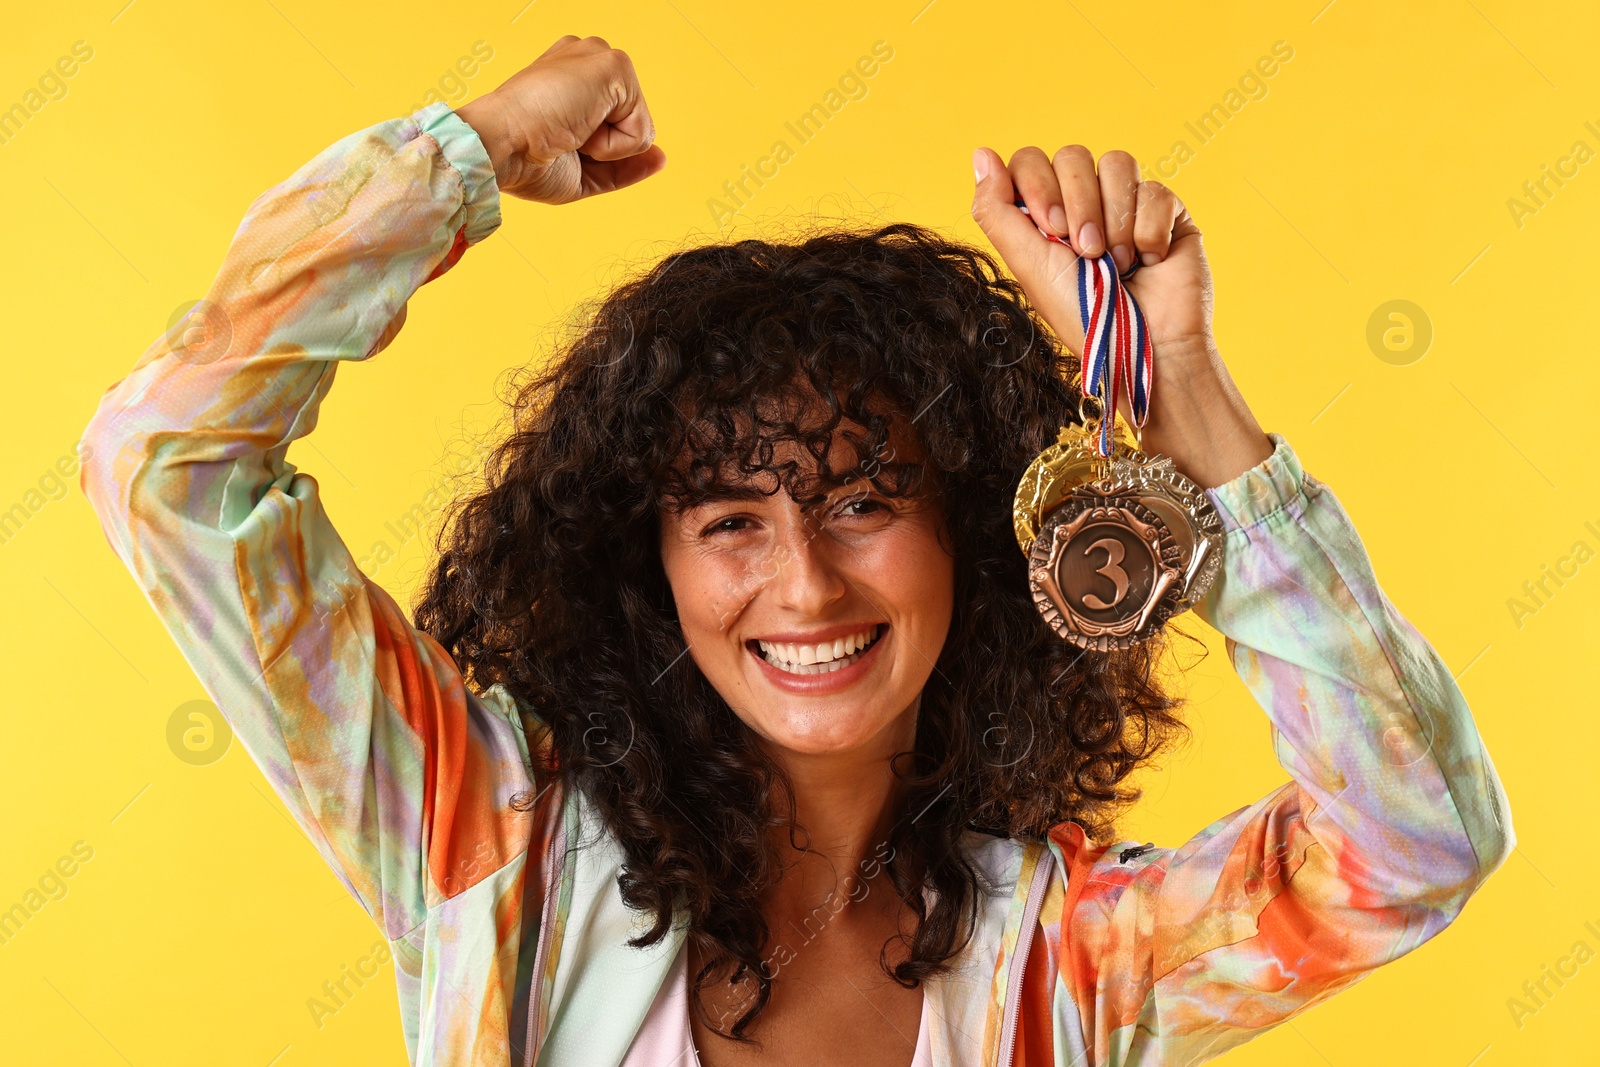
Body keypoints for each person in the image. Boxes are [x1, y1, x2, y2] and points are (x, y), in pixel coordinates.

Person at [80, 33, 1512, 1067]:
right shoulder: (485, 845)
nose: (806, 583)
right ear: (648, 569)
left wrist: (1176, 382)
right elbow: (167, 462)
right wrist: (470, 158)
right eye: (730, 521)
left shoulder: (1072, 959)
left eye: (863, 500)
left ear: (973, 538)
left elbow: (1420, 841)